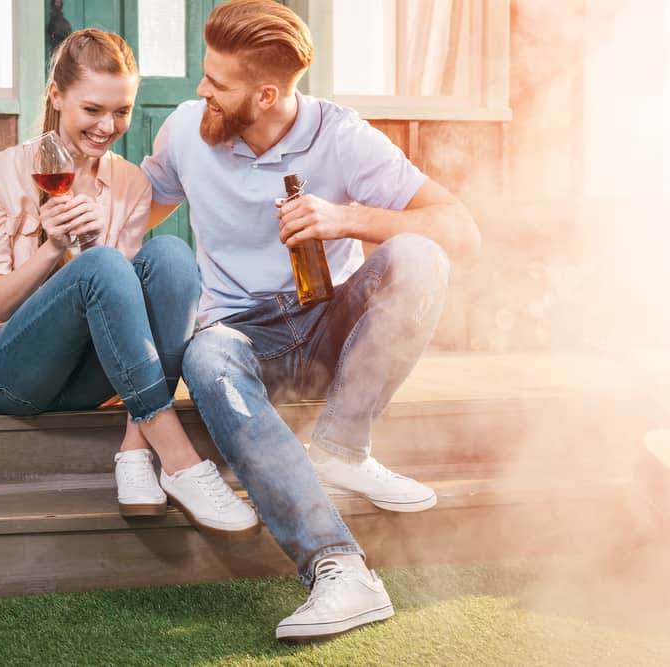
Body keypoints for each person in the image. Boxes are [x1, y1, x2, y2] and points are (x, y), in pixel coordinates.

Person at [141, 0, 480, 642]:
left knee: (419, 253)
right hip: (243, 339)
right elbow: (135, 213)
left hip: (328, 327)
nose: (200, 91)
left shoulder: (343, 136)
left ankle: (342, 447)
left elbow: (461, 229)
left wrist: (349, 219)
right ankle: (338, 567)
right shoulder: (187, 130)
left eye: (217, 83)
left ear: (266, 95)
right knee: (205, 356)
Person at [0, 29, 258, 536]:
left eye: (122, 111)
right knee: (106, 264)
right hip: (6, 376)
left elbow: (129, 318)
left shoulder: (130, 182)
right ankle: (178, 461)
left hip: (92, 380)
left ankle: (135, 453)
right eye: (92, 110)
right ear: (57, 96)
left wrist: (93, 251)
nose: (108, 127)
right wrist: (54, 249)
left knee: (173, 256)